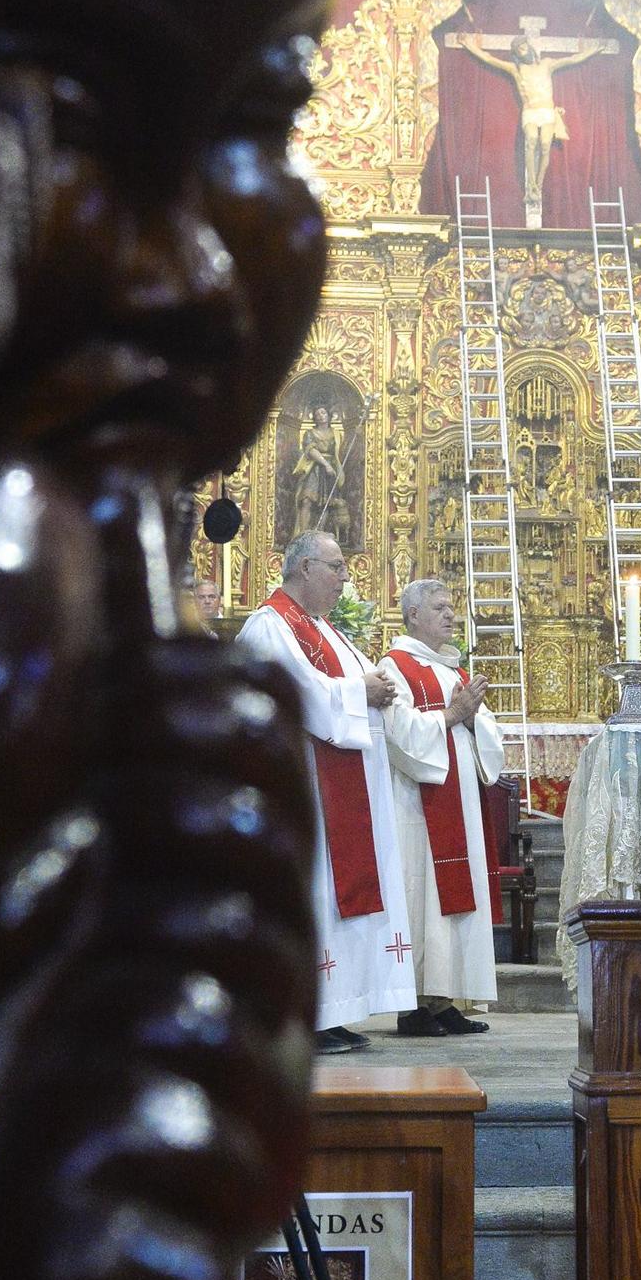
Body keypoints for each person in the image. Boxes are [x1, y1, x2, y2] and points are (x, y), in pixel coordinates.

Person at [240, 532, 418, 1052]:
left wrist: (379, 691)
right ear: (304, 569)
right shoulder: (269, 626)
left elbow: (363, 684)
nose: (346, 578)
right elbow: (292, 694)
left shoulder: (323, 630)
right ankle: (305, 1014)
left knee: (338, 895)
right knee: (314, 889)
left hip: (344, 784)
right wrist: (359, 692)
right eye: (338, 567)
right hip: (304, 788)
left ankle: (333, 1009)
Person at [380, 578, 506, 1036]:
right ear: (413, 614)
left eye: (452, 606)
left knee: (453, 899)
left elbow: (488, 736)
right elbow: (397, 735)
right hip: (417, 808)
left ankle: (443, 999)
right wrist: (451, 717)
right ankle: (413, 1004)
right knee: (421, 897)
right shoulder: (393, 667)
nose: (452, 614)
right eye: (440, 607)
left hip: (459, 805)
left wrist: (471, 721)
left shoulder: (452, 671)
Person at [456, 29, 613, 213]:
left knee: (545, 144)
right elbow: (490, 59)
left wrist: (595, 49)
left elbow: (572, 59)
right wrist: (468, 44)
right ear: (517, 54)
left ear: (529, 47)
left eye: (524, 46)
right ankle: (530, 184)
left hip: (547, 111)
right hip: (530, 111)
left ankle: (537, 186)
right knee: (531, 140)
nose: (523, 50)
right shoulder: (516, 69)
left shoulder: (546, 64)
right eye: (519, 49)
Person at [292, 403, 350, 543]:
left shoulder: (336, 434)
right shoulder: (310, 433)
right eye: (317, 414)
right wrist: (325, 464)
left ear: (329, 415)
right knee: (306, 500)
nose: (321, 416)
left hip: (331, 472)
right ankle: (303, 535)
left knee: (326, 504)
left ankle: (318, 535)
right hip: (314, 469)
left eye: (323, 413)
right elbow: (311, 450)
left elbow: (340, 452)